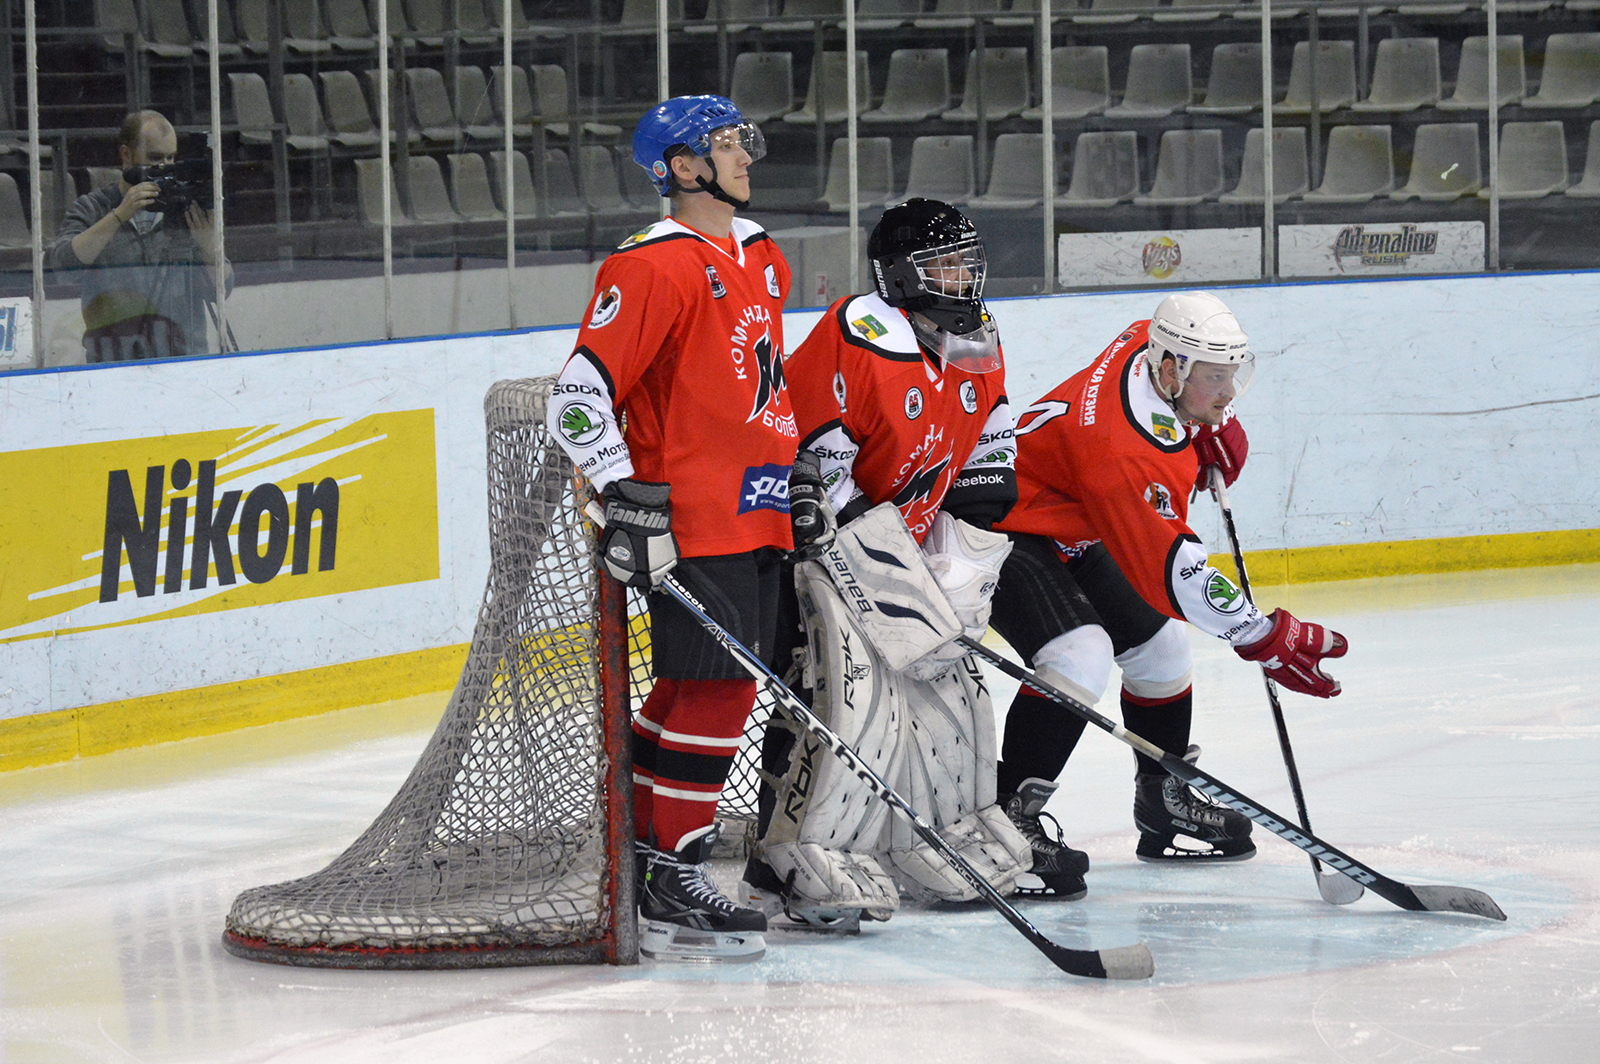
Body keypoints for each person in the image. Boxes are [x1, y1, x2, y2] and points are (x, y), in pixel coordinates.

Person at [738, 199, 1041, 927]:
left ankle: (925, 833)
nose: (962, 279)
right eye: (944, 266)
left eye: (968, 264)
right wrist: (862, 560)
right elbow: (808, 467)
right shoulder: (859, 334)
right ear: (901, 276)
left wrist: (958, 557)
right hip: (818, 547)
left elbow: (989, 451)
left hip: (905, 547)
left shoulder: (977, 337)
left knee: (951, 688)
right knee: (847, 696)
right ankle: (789, 856)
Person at [545, 95, 794, 963]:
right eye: (727, 145)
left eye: (741, 140)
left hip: (758, 507)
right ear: (683, 167)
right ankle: (675, 866)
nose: (745, 157)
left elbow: (753, 383)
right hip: (695, 516)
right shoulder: (651, 267)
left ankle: (651, 851)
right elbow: (578, 398)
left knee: (695, 690)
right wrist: (625, 496)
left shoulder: (759, 251)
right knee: (720, 692)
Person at [987, 291, 1349, 880]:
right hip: (1004, 531)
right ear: (1173, 367)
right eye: (1216, 379)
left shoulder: (1149, 345)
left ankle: (1162, 801)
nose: (1229, 394)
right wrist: (1259, 634)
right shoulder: (1122, 452)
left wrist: (1197, 425)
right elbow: (1173, 574)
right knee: (1079, 655)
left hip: (1070, 523)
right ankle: (1003, 825)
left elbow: (1167, 381)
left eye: (1234, 376)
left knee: (1163, 649)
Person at [48, 110, 230, 363]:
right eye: (154, 158)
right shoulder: (93, 208)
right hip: (113, 361)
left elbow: (222, 290)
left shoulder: (187, 207)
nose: (164, 166)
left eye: (170, 157)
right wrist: (120, 215)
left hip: (183, 359)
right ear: (126, 155)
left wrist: (210, 247)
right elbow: (62, 266)